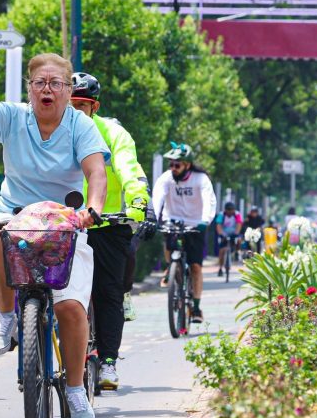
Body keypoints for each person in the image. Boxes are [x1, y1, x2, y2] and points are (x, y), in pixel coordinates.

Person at [0, 47, 108, 418]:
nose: (47, 89)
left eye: (56, 83)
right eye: (40, 83)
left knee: (71, 309)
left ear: (67, 90)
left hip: (66, 220)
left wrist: (93, 209)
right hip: (16, 214)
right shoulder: (13, 117)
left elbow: (96, 173)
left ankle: (74, 389)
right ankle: (6, 316)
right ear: (29, 88)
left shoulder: (81, 126)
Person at [69, 72, 155, 391]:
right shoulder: (53, 130)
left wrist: (138, 200)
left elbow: (129, 169)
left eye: (82, 105)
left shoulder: (113, 134)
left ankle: (107, 361)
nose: (75, 112)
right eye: (70, 105)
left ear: (95, 107)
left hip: (107, 223)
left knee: (108, 293)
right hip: (65, 224)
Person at [153, 143, 216, 323]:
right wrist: (153, 218)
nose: (173, 168)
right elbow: (157, 197)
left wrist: (205, 220)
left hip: (196, 224)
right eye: (171, 164)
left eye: (177, 164)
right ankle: (170, 267)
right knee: (168, 240)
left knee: (195, 267)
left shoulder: (200, 179)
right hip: (172, 220)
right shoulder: (166, 178)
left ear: (187, 165)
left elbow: (209, 200)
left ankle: (196, 308)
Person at [214, 201, 243, 272]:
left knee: (239, 240)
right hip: (224, 233)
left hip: (234, 232)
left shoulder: (237, 214)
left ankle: (237, 252)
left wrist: (236, 233)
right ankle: (220, 268)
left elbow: (239, 224)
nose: (230, 211)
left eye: (231, 210)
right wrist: (221, 234)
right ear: (225, 210)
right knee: (221, 251)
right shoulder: (221, 214)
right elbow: (218, 225)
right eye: (228, 210)